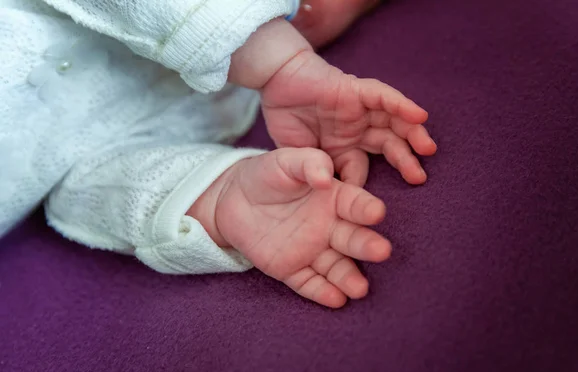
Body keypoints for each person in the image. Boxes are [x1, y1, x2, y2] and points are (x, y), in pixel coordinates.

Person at [0, 0, 436, 308]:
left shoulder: (213, 102)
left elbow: (89, 186)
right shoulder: (244, 49)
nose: (300, 9)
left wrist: (222, 196)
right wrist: (274, 54)